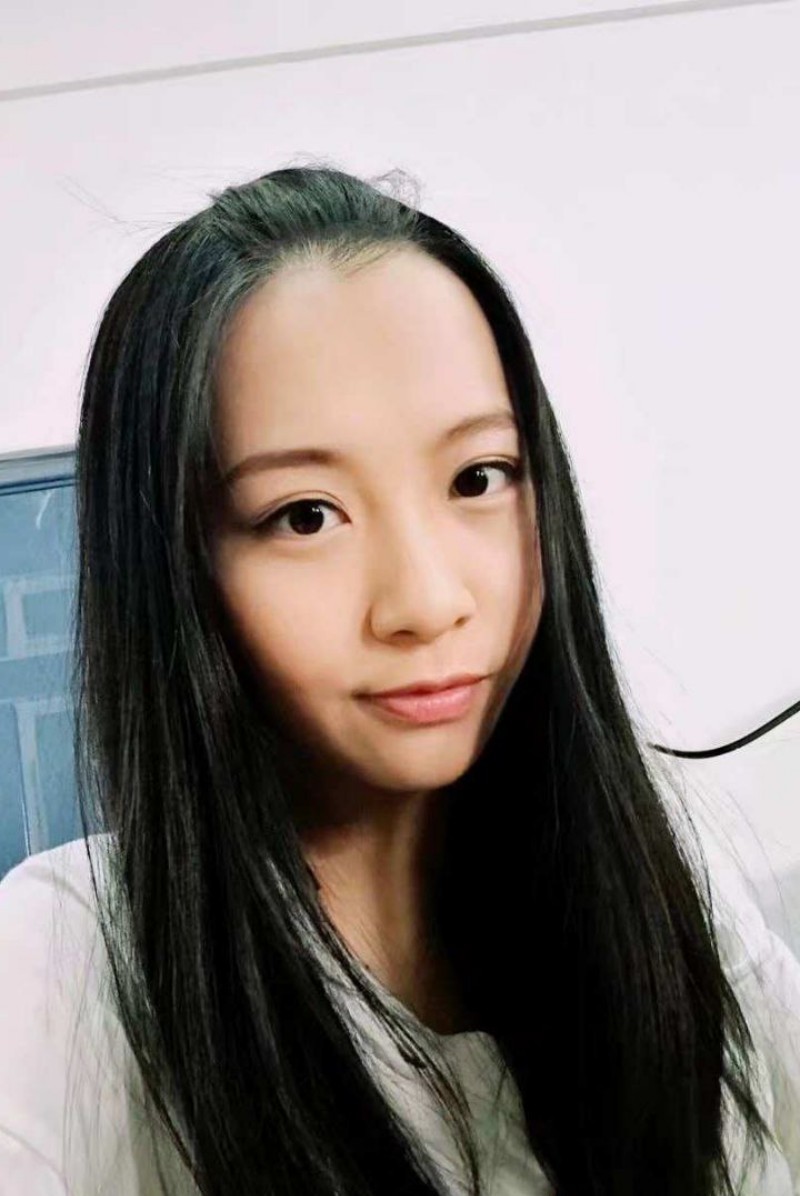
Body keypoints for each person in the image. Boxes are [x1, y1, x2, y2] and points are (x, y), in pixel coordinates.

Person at [0, 163, 797, 1195]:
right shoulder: (63, 967)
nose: (425, 600)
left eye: (477, 477)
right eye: (305, 515)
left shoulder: (660, 882)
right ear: (175, 566)